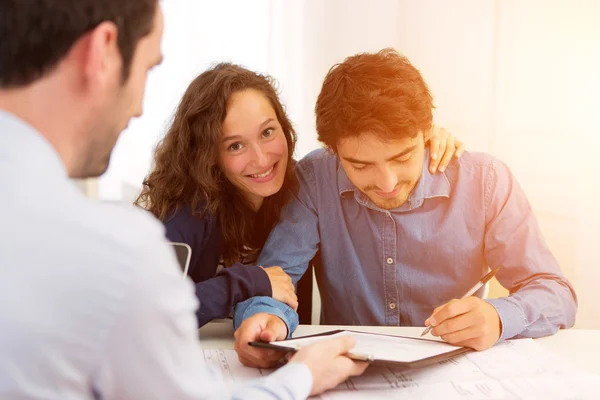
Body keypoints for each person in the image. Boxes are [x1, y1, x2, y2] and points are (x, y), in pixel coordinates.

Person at [0, 1, 369, 398]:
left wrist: (429, 146)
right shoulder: (157, 230)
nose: (139, 109)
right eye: (149, 67)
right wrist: (296, 366)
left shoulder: (304, 188)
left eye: (267, 132)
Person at [233, 49, 578, 368]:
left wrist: (498, 317)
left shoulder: (485, 181)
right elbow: (273, 281)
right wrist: (267, 320)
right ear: (333, 150)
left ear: (427, 133)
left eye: (402, 157)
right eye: (360, 164)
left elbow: (556, 294)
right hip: (347, 375)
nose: (386, 182)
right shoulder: (314, 178)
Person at [135, 62, 465, 327]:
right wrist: (250, 280)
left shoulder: (302, 185)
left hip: (279, 353)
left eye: (267, 132)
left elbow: (358, 148)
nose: (262, 159)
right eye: (235, 145)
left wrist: (417, 139)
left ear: (284, 126)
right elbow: (147, 311)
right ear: (209, 154)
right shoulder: (190, 212)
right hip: (200, 360)